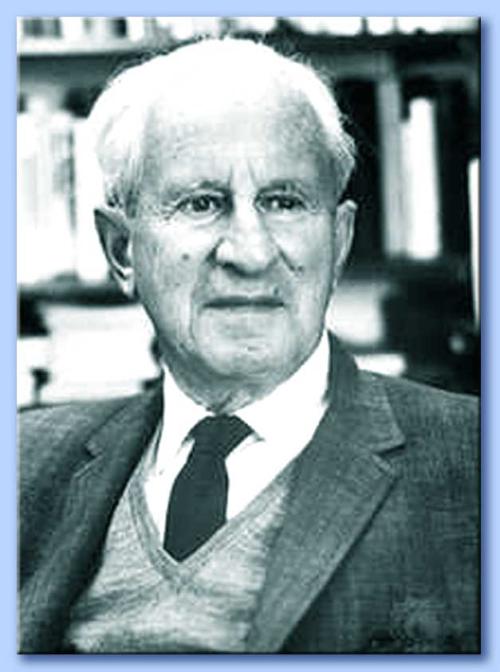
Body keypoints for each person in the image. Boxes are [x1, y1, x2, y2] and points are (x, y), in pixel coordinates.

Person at [18, 38, 479, 654]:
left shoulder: (474, 462)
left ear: (339, 241)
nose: (251, 252)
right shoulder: (23, 466)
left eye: (284, 202)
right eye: (202, 203)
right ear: (122, 250)